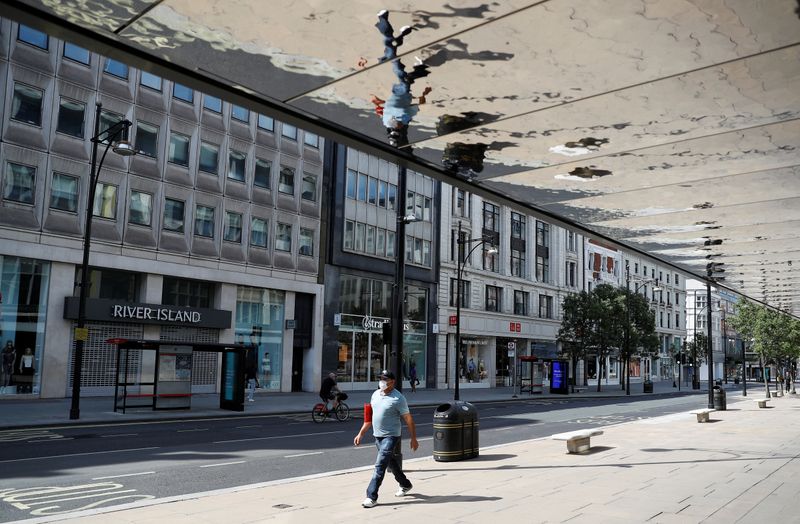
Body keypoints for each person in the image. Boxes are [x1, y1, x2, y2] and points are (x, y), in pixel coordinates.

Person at [354, 370, 418, 508]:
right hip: (378, 436)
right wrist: (361, 434)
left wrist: (413, 438)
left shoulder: (398, 398)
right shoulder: (375, 395)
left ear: (392, 382)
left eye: (385, 379)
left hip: (391, 436)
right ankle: (405, 484)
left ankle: (371, 496)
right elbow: (368, 419)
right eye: (380, 379)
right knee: (391, 463)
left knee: (380, 465)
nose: (382, 381)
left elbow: (408, 419)